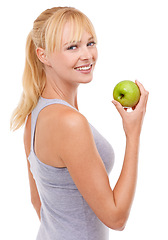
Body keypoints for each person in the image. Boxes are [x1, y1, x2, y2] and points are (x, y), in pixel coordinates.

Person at [10, 6, 149, 240]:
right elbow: (116, 218)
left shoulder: (34, 112)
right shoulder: (70, 123)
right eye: (72, 47)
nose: (87, 55)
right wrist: (133, 133)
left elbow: (38, 202)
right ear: (43, 55)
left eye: (90, 43)